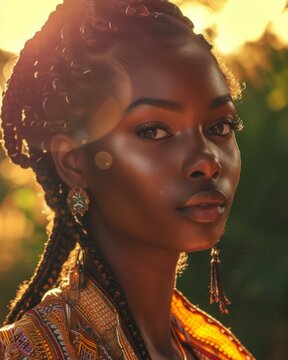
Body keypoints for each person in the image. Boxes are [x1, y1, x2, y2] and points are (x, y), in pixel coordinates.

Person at [0, 0, 255, 358]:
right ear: (74, 162)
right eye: (154, 131)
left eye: (220, 126)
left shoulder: (211, 351)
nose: (207, 161)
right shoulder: (29, 352)